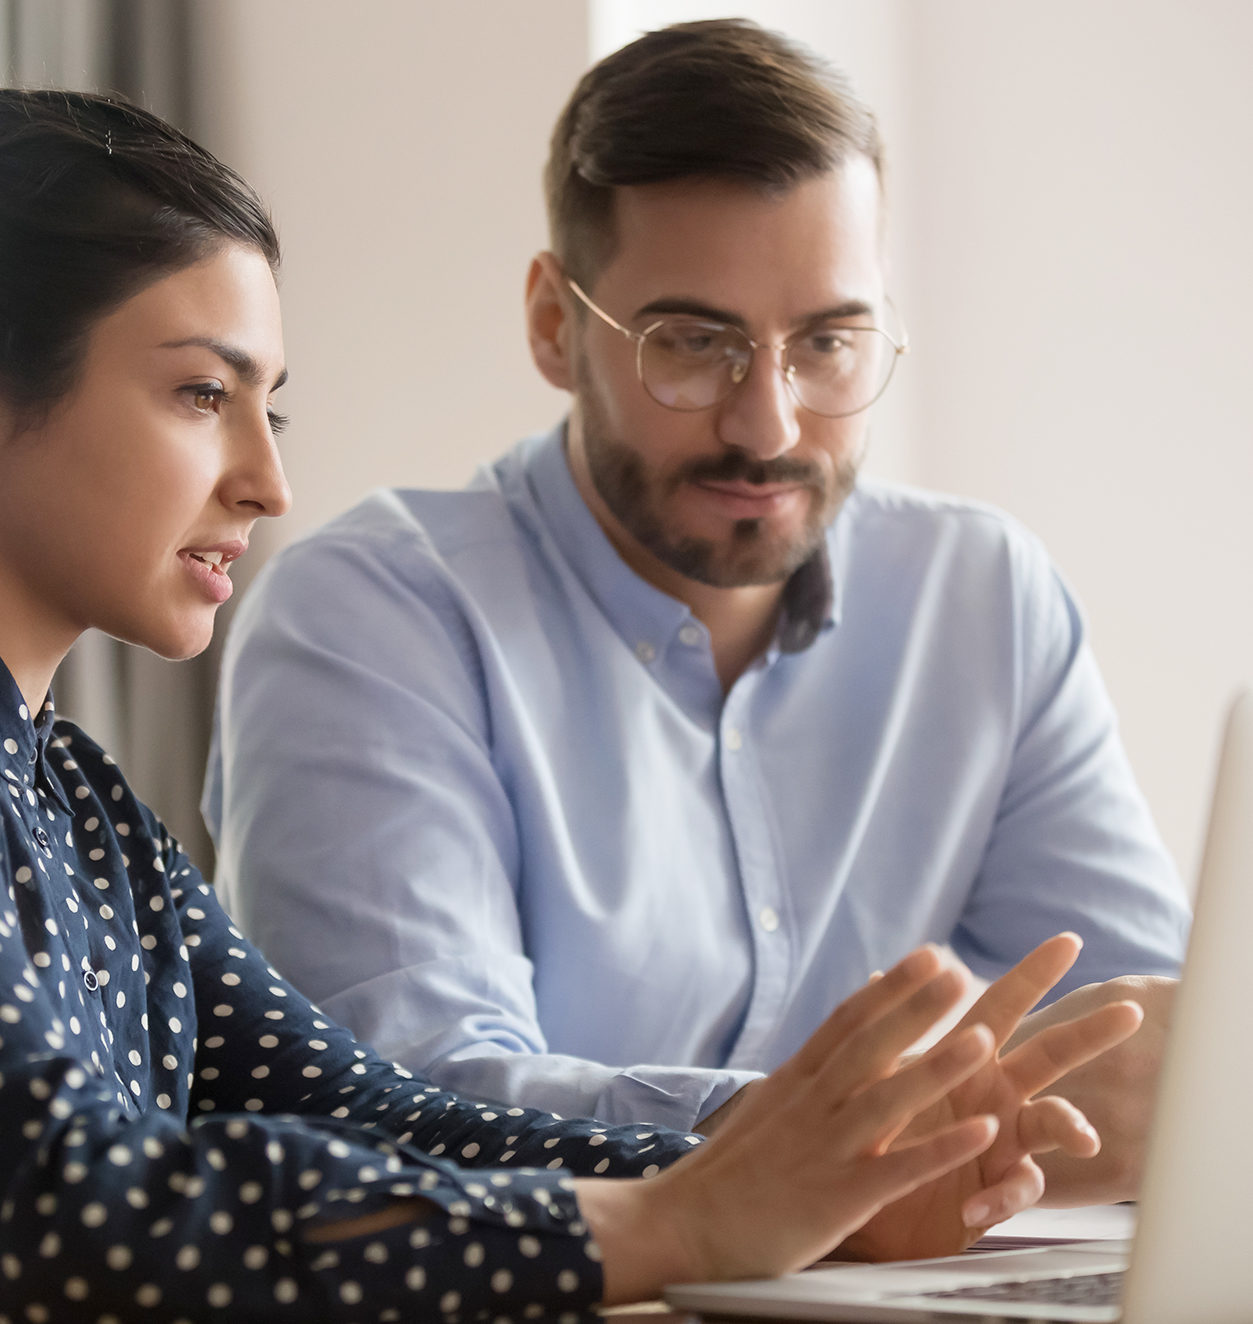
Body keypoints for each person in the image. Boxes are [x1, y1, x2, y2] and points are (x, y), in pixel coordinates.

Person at [0, 89, 1141, 1324]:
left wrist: (804, 1177)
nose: (269, 479)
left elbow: (371, 1118)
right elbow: (39, 1222)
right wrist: (679, 1219)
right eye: (201, 393)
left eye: (270, 405)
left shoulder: (63, 794)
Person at [203, 19, 1188, 1209]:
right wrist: (845, 1141)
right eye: (693, 343)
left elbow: (1150, 1058)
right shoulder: (367, 616)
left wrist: (975, 1131)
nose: (765, 424)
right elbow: (412, 1102)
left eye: (828, 343)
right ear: (554, 325)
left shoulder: (981, 597)